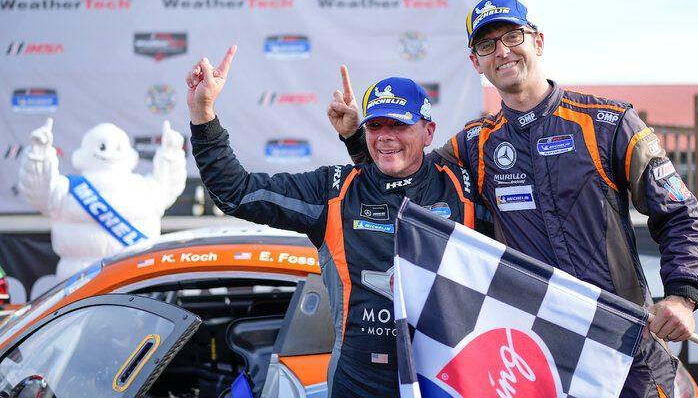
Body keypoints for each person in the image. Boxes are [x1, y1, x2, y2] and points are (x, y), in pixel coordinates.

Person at [331, 0, 698, 397]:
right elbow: (407, 174)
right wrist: (358, 138)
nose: (502, 51)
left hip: (620, 347)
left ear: (539, 41)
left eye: (513, 36)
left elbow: (679, 213)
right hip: (533, 356)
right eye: (486, 45)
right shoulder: (474, 144)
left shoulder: (608, 122)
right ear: (475, 62)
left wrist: (683, 295)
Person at [185, 46, 489, 398]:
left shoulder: (462, 188)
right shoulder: (335, 190)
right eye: (375, 125)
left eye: (399, 125)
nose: (385, 135)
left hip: (446, 381)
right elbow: (235, 192)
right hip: (359, 383)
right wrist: (202, 112)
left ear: (428, 132)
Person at [19, 118, 186, 280]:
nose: (108, 152)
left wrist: (171, 153)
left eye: (116, 147)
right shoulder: (67, 188)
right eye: (102, 146)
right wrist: (39, 155)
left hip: (129, 283)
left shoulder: (145, 189)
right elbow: (38, 191)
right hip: (82, 284)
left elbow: (169, 185)